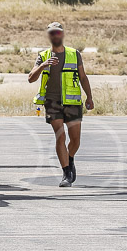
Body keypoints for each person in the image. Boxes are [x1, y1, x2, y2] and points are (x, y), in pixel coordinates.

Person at [27, 21, 94, 187]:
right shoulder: (43, 56)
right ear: (49, 36)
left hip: (72, 101)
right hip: (52, 101)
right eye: (52, 33)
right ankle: (66, 173)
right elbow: (30, 78)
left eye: (57, 32)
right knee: (60, 136)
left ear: (62, 35)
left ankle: (70, 159)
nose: (55, 35)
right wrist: (43, 65)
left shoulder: (74, 54)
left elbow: (83, 77)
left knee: (75, 139)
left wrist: (89, 97)